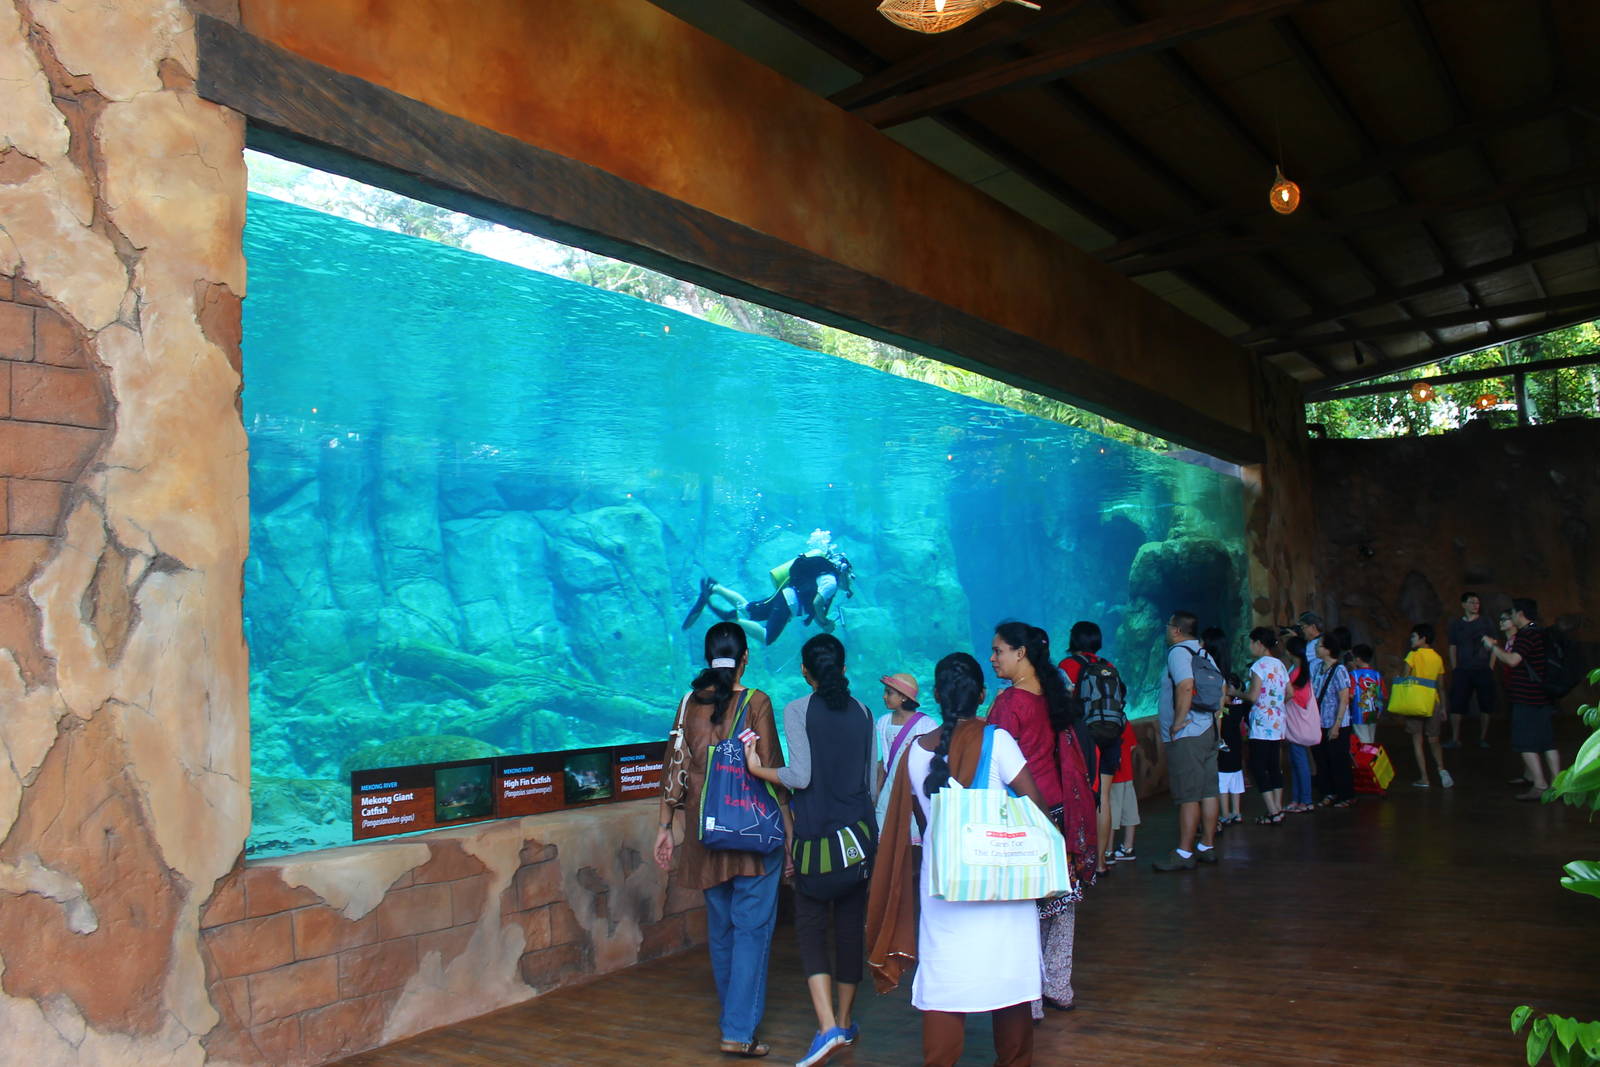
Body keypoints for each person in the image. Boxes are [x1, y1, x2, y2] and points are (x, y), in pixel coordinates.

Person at [865, 652, 1050, 1067]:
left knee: (946, 985)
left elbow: (922, 822)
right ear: (983, 696)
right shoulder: (997, 740)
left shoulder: (914, 751)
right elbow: (1035, 806)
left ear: (935, 696)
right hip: (1002, 884)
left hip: (944, 885)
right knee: (1011, 982)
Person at [656, 622, 791, 1058]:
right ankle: (738, 1030)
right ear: (745, 657)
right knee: (752, 931)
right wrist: (789, 833)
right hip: (752, 836)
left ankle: (734, 1021)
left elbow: (674, 771)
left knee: (722, 931)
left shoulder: (686, 705)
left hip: (704, 835)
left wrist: (665, 828)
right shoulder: (757, 702)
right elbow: (773, 774)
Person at [745, 635, 875, 1067]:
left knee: (811, 925)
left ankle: (826, 1028)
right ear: (841, 666)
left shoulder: (798, 709)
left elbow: (800, 776)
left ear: (805, 671)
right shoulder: (863, 711)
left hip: (818, 842)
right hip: (858, 840)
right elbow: (870, 785)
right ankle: (845, 1019)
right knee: (849, 926)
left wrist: (756, 767)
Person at [985, 622, 1096, 1018]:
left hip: (1021, 812)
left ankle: (1029, 997)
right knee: (1061, 903)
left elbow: (993, 756)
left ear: (1021, 653)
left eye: (999, 650)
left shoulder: (1009, 703)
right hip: (1058, 808)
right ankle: (1059, 986)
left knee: (1025, 908)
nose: (993, 657)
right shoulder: (1052, 693)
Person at [682, 530, 856, 645]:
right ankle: (732, 620)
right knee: (767, 637)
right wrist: (825, 622)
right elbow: (817, 603)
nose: (850, 582)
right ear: (844, 571)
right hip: (789, 603)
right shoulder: (831, 582)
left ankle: (715, 588)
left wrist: (823, 624)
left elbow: (813, 607)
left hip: (787, 598)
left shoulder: (826, 578)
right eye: (850, 577)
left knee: (751, 611)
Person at [1153, 610, 1221, 870]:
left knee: (1188, 795)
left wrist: (1179, 721)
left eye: (1169, 625)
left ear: (1177, 630)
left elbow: (1185, 685)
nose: (1166, 629)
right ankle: (1207, 845)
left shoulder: (1178, 653)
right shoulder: (1204, 653)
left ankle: (1183, 853)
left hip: (1188, 735)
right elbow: (1221, 689)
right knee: (1208, 791)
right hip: (1208, 730)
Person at [1058, 620, 1122, 876]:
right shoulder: (1108, 666)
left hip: (1085, 737)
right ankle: (1102, 862)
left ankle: (1081, 862)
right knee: (1104, 796)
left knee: (1085, 797)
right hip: (1112, 735)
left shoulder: (1068, 666)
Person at [1484, 598, 1563, 801]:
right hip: (1544, 696)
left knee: (1525, 743)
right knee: (1548, 743)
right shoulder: (1541, 632)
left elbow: (1512, 660)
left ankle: (1540, 785)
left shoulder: (1526, 634)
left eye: (1512, 614)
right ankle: (1558, 786)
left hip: (1527, 698)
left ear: (1520, 614)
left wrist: (1492, 647)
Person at [873, 672, 936, 832]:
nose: (884, 696)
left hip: (915, 792)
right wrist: (876, 793)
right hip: (889, 790)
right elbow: (884, 762)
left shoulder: (927, 725)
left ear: (903, 697)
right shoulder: (883, 722)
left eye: (889, 692)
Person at [1397, 623, 1452, 789]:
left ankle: (1424, 778)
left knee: (1417, 740)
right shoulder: (1437, 658)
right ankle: (1442, 770)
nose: (1411, 639)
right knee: (1434, 739)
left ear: (1423, 638)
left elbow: (1405, 679)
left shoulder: (1412, 656)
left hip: (1415, 702)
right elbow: (1440, 686)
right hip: (1432, 702)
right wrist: (1442, 707)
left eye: (1414, 636)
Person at [1245, 627, 1289, 824]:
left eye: (1251, 642)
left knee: (1258, 767)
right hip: (1278, 722)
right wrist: (1275, 704)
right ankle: (1278, 809)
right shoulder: (1280, 664)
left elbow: (1253, 696)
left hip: (1262, 723)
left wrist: (1235, 693)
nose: (1249, 646)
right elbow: (1290, 693)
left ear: (1259, 643)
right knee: (1274, 766)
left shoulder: (1259, 666)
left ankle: (1272, 811)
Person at [1203, 627, 1246, 827]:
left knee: (1220, 781)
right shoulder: (1239, 708)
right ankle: (1234, 813)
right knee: (1234, 779)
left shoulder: (1212, 675)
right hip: (1234, 747)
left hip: (1221, 743)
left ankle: (1224, 815)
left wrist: (1217, 737)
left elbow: (1218, 712)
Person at [1310, 631, 1355, 807]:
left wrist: (1337, 724)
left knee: (1339, 760)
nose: (1316, 647)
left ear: (1329, 649)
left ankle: (1346, 795)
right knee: (1322, 759)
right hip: (1319, 721)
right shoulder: (1317, 668)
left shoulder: (1340, 669)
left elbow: (1344, 698)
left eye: (1319, 645)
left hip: (1337, 723)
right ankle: (1328, 792)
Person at [1446, 592, 1496, 749]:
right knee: (1456, 703)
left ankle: (1483, 737)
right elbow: (1453, 646)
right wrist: (1455, 668)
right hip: (1463, 670)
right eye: (1472, 602)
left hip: (1482, 669)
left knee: (1485, 704)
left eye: (1477, 603)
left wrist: (1490, 667)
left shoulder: (1486, 622)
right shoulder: (1456, 624)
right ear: (1463, 604)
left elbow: (1494, 644)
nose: (1475, 605)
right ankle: (1455, 739)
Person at [1281, 635, 1318, 814]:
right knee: (1296, 763)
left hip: (1296, 725)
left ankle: (1305, 800)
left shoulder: (1296, 672)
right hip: (1298, 724)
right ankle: (1297, 799)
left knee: (1300, 763)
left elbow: (1299, 698)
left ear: (1290, 652)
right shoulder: (1300, 670)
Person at [1104, 719, 1140, 862]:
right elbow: (1132, 746)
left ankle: (1108, 851)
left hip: (1112, 776)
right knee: (1130, 810)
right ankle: (1128, 848)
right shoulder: (1124, 721)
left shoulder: (1102, 722)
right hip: (1127, 774)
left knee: (1110, 813)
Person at [1348, 644, 1385, 745]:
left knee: (1363, 743)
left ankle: (1368, 760)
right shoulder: (1377, 675)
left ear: (1358, 659)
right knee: (1371, 740)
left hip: (1359, 714)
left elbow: (1350, 695)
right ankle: (1372, 759)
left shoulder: (1354, 675)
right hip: (1373, 713)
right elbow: (1381, 695)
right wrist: (1379, 711)